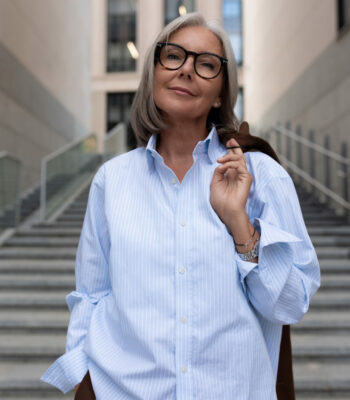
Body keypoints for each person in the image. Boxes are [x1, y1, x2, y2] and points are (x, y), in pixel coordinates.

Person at [41, 12, 320, 400]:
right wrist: (79, 372)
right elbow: (92, 295)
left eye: (206, 64)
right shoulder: (112, 180)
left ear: (222, 91)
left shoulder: (261, 177)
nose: (186, 69)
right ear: (154, 72)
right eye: (173, 56)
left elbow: (291, 305)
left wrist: (240, 224)